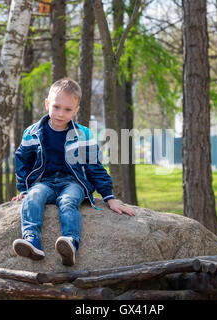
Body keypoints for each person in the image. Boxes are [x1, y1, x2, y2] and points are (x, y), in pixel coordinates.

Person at [11, 78, 134, 266]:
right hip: (43, 182)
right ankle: (32, 240)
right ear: (47, 104)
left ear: (76, 110)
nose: (61, 113)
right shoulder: (32, 132)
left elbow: (95, 167)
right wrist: (24, 189)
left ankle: (69, 242)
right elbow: (23, 161)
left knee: (68, 202)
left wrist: (109, 197)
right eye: (56, 107)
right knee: (33, 197)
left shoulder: (83, 134)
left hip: (72, 183)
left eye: (68, 109)